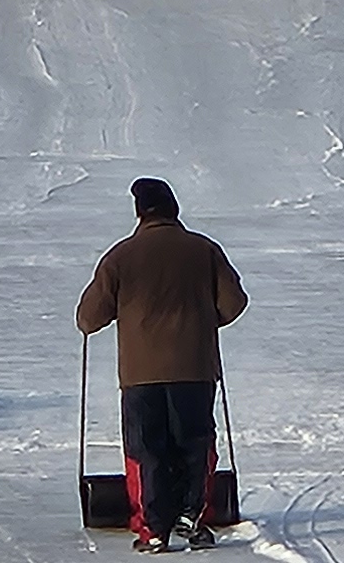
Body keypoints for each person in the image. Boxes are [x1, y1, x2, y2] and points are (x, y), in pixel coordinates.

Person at [76, 176, 248, 552]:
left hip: (140, 375)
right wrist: (199, 322)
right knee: (194, 443)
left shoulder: (120, 257)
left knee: (146, 448)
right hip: (195, 369)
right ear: (175, 210)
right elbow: (234, 303)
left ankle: (153, 530)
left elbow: (89, 319)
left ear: (140, 213)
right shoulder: (204, 250)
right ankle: (193, 518)